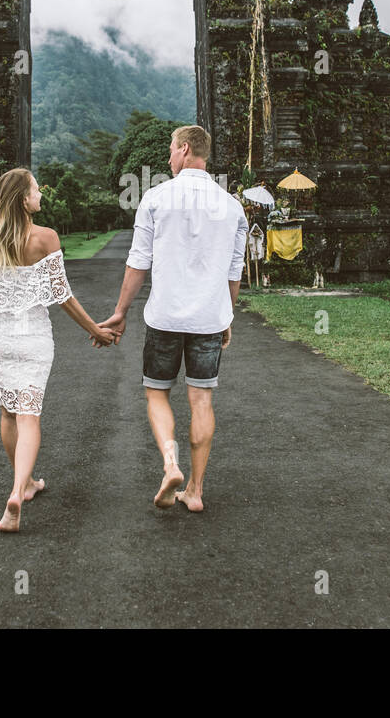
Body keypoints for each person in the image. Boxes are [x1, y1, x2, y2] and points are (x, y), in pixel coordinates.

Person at [0, 168, 117, 532]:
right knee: (30, 416)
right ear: (23, 200)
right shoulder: (46, 238)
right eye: (37, 190)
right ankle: (18, 488)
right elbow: (63, 297)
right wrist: (96, 330)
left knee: (9, 414)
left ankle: (24, 484)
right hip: (32, 337)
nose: (42, 195)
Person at [98, 126, 247, 513]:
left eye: (170, 150)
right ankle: (195, 491)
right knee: (201, 400)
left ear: (184, 150)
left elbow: (138, 263)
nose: (167, 158)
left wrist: (120, 312)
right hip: (209, 320)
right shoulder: (233, 207)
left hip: (164, 318)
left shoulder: (156, 197)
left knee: (157, 392)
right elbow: (234, 273)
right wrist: (226, 316)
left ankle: (170, 463)